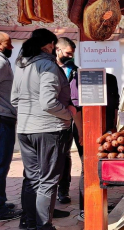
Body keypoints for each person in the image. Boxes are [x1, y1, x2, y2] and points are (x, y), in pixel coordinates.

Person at [11, 29, 77, 230]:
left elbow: (14, 99)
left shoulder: (21, 65)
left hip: (25, 129)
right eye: (53, 46)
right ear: (48, 45)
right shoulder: (47, 66)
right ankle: (43, 226)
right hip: (49, 130)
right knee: (48, 181)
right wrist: (68, 113)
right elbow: (48, 102)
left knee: (31, 179)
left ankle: (29, 223)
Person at [76, 73, 119, 222]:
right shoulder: (79, 77)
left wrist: (114, 126)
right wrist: (81, 131)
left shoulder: (111, 79)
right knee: (87, 166)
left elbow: (116, 105)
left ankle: (100, 202)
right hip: (86, 127)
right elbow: (75, 108)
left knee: (100, 164)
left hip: (106, 127)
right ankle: (85, 208)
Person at [0, 32, 23, 221]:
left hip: (4, 118)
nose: (11, 48)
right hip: (2, 120)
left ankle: (1, 200)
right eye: (8, 44)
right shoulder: (0, 62)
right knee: (1, 163)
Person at [54, 37, 80, 204]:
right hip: (52, 116)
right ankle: (50, 190)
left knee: (65, 154)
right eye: (68, 53)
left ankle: (64, 189)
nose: (70, 57)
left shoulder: (75, 70)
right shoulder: (47, 68)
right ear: (58, 50)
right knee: (52, 157)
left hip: (70, 116)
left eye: (72, 54)